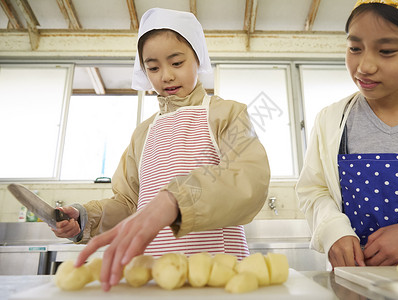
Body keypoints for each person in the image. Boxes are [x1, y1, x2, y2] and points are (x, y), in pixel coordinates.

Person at [52, 8, 270, 291]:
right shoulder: (143, 133)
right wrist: (84, 218)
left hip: (219, 274)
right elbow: (130, 204)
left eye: (177, 62)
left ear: (198, 58)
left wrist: (175, 202)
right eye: (153, 68)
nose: (166, 76)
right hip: (155, 277)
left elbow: (248, 180)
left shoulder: (226, 114)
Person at [296, 0, 398, 269]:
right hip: (356, 281)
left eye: (387, 51)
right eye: (355, 48)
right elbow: (313, 190)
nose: (364, 66)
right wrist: (333, 229)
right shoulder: (331, 120)